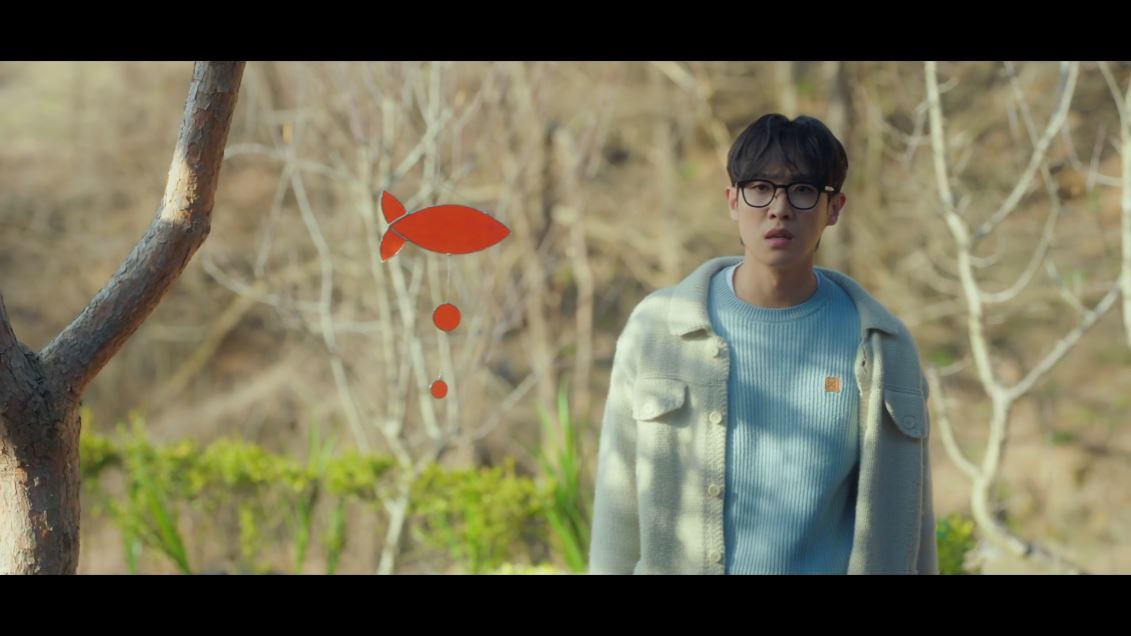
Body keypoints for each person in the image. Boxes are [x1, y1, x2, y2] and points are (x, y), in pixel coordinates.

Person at [588, 113, 937, 574]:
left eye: (803, 190)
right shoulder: (658, 329)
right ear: (733, 201)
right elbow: (617, 506)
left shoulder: (882, 346)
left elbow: (913, 524)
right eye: (760, 188)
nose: (779, 208)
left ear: (834, 208)